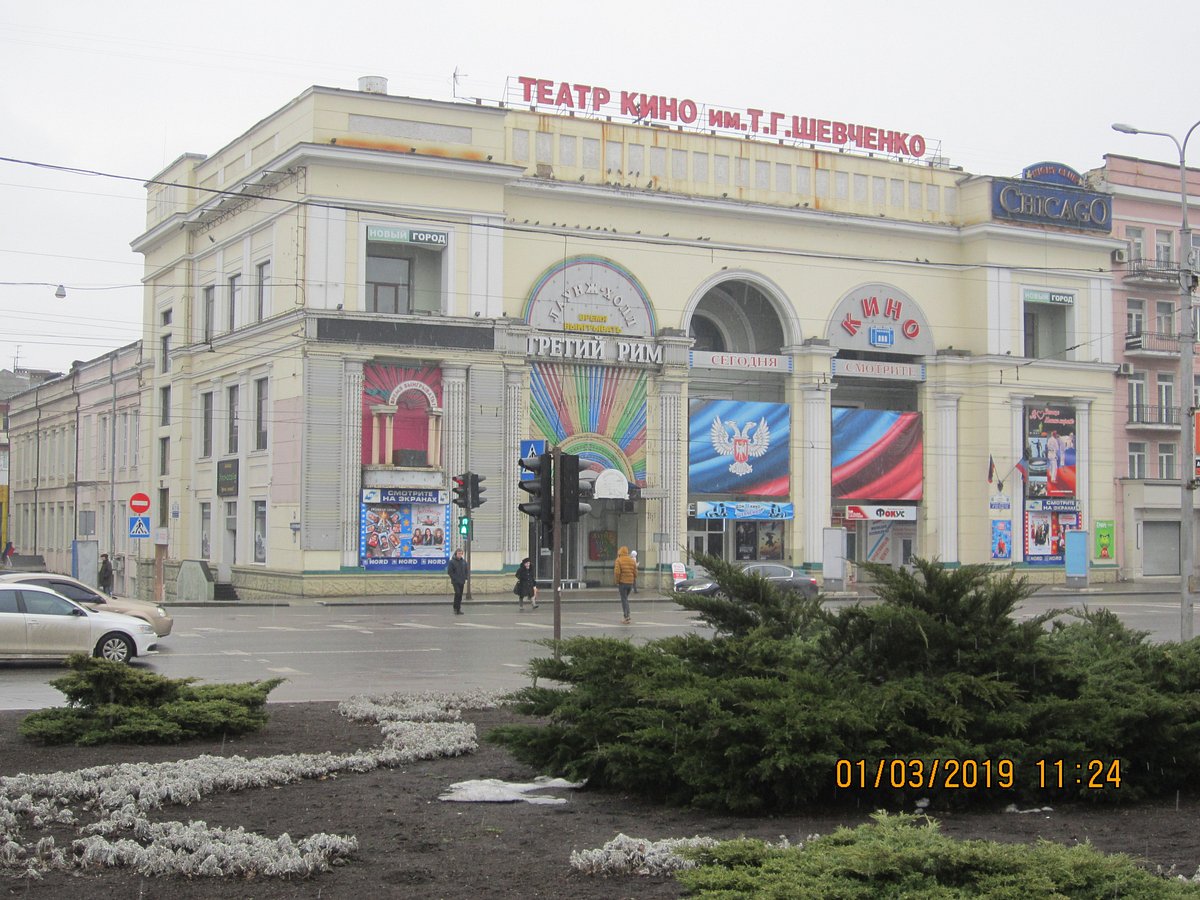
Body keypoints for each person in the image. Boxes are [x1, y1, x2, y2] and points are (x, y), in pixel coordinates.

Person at [613, 545, 637, 624]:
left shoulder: (618, 560)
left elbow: (617, 572)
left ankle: (626, 616)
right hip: (630, 583)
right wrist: (633, 579)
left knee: (624, 599)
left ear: (620, 552)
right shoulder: (632, 561)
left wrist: (617, 581)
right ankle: (627, 615)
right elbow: (635, 573)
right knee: (626, 599)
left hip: (622, 583)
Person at [447, 549, 468, 615]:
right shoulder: (452, 562)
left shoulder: (463, 562)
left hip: (462, 580)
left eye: (461, 553)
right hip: (455, 581)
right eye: (458, 553)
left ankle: (457, 607)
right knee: (458, 593)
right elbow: (450, 571)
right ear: (456, 554)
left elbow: (466, 570)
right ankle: (457, 608)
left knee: (460, 595)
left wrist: (466, 577)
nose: (460, 555)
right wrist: (454, 578)